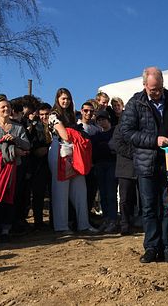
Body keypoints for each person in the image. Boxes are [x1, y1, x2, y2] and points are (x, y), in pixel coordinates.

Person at [119, 67, 168, 263]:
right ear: (144, 85)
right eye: (152, 89)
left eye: (159, 88)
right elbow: (127, 132)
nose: (156, 93)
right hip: (146, 163)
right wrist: (154, 140)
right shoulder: (135, 103)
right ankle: (150, 247)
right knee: (148, 207)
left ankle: (166, 247)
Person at [46, 88, 97, 234]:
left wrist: (74, 134)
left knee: (80, 189)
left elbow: (69, 134)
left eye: (68, 98)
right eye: (63, 98)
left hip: (75, 152)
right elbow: (64, 134)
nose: (65, 101)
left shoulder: (71, 116)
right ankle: (61, 226)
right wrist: (76, 134)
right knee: (61, 190)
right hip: (60, 151)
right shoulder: (53, 115)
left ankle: (84, 224)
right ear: (57, 99)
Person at [0, 95, 31, 242]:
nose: (6, 109)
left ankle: (5, 230)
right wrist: (11, 150)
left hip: (14, 169)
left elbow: (27, 145)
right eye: (2, 107)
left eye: (8, 106)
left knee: (10, 199)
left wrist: (15, 140)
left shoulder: (18, 127)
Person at [90, 110, 118, 233]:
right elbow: (94, 151)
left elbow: (113, 147)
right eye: (99, 120)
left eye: (103, 119)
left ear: (108, 119)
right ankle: (106, 218)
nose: (102, 122)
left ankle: (113, 219)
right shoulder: (96, 135)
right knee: (103, 194)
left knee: (111, 194)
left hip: (112, 164)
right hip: (99, 165)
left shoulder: (115, 132)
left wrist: (104, 147)